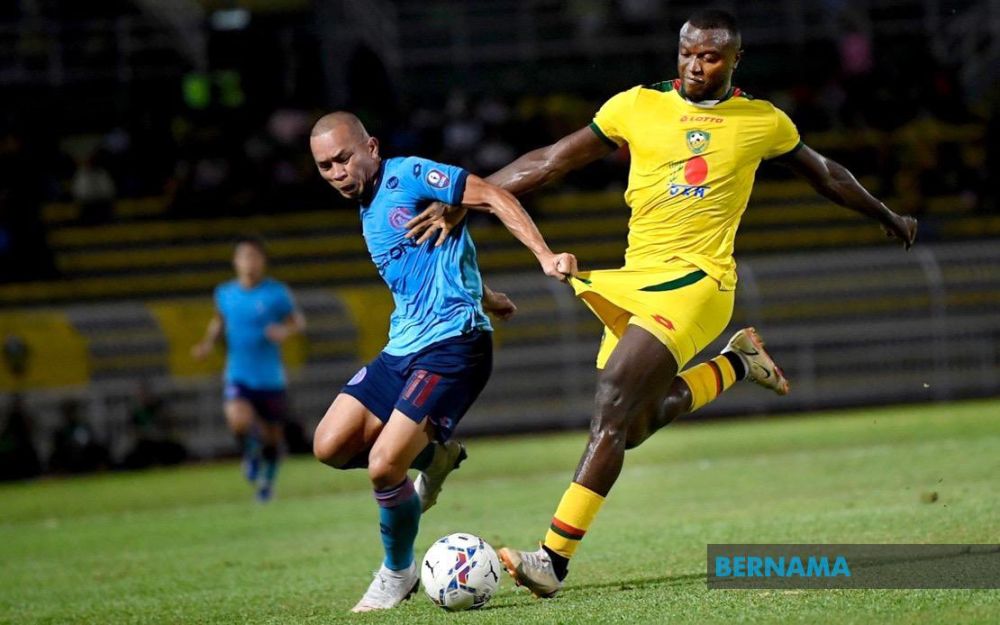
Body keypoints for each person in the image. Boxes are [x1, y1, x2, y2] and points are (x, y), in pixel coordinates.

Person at [405, 9, 918, 598]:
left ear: (734, 60)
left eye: (710, 57)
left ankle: (552, 560)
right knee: (632, 424)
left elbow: (825, 174)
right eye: (687, 54)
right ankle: (738, 364)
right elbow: (550, 160)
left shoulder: (761, 120)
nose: (696, 67)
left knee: (612, 405)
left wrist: (885, 214)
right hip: (637, 278)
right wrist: (466, 199)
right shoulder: (635, 105)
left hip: (701, 282)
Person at [308, 111, 576, 612]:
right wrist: (489, 293)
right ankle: (437, 458)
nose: (337, 172)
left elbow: (493, 195)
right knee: (330, 445)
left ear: (371, 145)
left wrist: (542, 255)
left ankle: (397, 570)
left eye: (343, 158)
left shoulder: (407, 174)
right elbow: (431, 266)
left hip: (455, 346)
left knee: (385, 466)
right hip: (402, 348)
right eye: (325, 166)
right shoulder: (367, 211)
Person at [191, 236, 306, 502]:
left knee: (273, 437)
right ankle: (250, 454)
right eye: (244, 257)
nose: (249, 263)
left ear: (262, 261)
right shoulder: (225, 293)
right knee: (238, 419)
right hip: (238, 373)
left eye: (254, 257)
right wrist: (208, 343)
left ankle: (267, 482)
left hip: (270, 377)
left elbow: (298, 322)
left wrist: (284, 330)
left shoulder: (276, 293)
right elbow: (219, 321)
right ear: (235, 262)